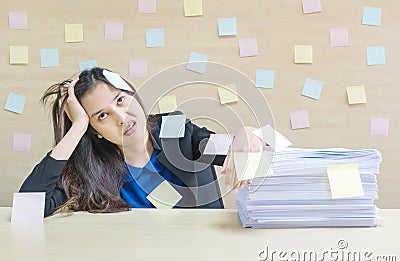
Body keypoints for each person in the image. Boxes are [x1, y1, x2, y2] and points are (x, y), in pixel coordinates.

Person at [19, 67, 263, 217]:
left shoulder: (175, 130)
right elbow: (27, 209)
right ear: (96, 131)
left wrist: (247, 134)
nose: (121, 118)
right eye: (102, 116)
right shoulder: (91, 171)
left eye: (120, 101)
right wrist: (77, 128)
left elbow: (256, 153)